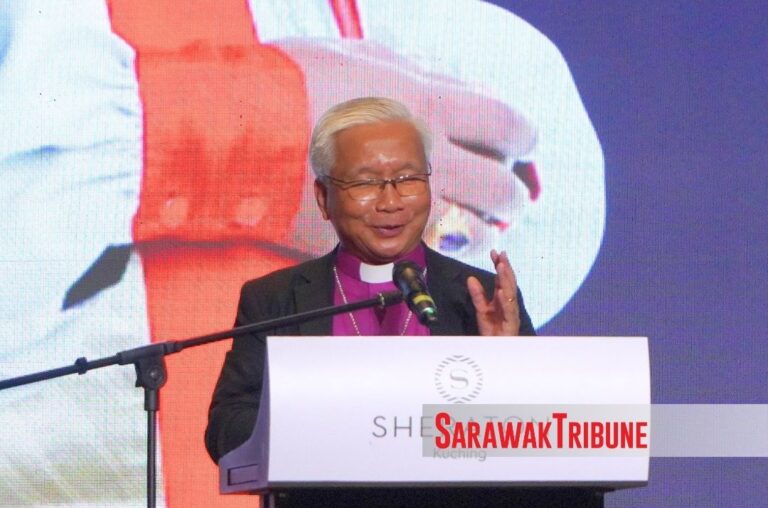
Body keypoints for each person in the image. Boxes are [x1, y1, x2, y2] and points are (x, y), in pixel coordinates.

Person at [205, 97, 536, 463]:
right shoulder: (274, 299)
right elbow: (226, 431)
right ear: (323, 199)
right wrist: (323, 427)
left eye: (408, 179)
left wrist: (505, 368)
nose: (391, 202)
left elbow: (542, 438)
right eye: (365, 183)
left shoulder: (482, 298)